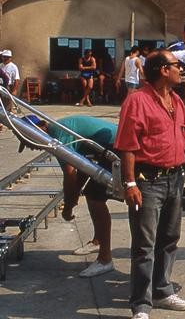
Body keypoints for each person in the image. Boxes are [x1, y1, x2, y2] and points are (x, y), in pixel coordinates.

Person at [115, 49, 185, 319]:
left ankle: (162, 291)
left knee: (169, 239)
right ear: (163, 70)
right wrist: (129, 183)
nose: (181, 70)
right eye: (177, 66)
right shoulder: (137, 101)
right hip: (147, 182)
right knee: (144, 245)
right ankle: (141, 304)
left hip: (176, 180)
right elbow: (127, 145)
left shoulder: (176, 101)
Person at [19, 114, 117, 277]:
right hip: (108, 147)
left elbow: (70, 174)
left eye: (27, 139)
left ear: (41, 128)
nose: (30, 146)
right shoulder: (59, 129)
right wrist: (72, 199)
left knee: (95, 198)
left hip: (114, 146)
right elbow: (85, 167)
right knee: (92, 192)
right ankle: (97, 241)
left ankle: (105, 259)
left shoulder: (58, 135)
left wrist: (69, 205)